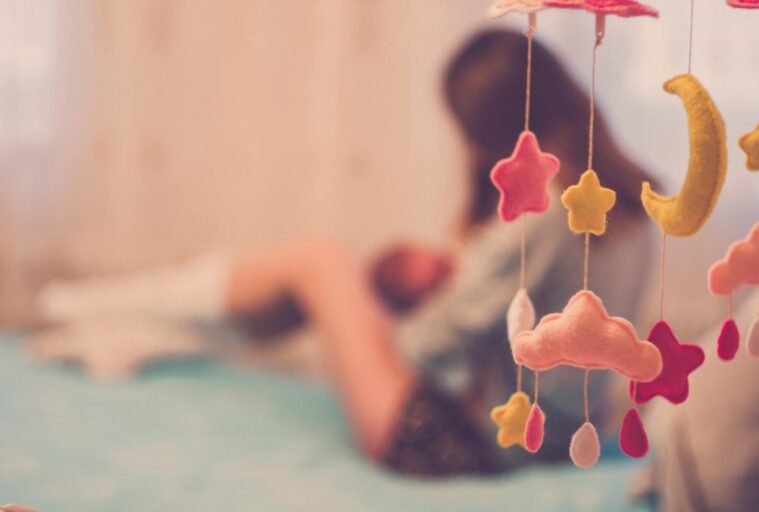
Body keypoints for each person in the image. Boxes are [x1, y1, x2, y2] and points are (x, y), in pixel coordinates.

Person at [36, 29, 658, 477]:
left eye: (471, 135)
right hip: (546, 443)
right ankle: (134, 329)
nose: (470, 154)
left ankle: (102, 309)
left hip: (459, 443)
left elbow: (424, 347)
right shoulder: (621, 197)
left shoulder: (544, 211)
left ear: (497, 129)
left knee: (320, 263)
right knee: (327, 276)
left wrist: (384, 308)